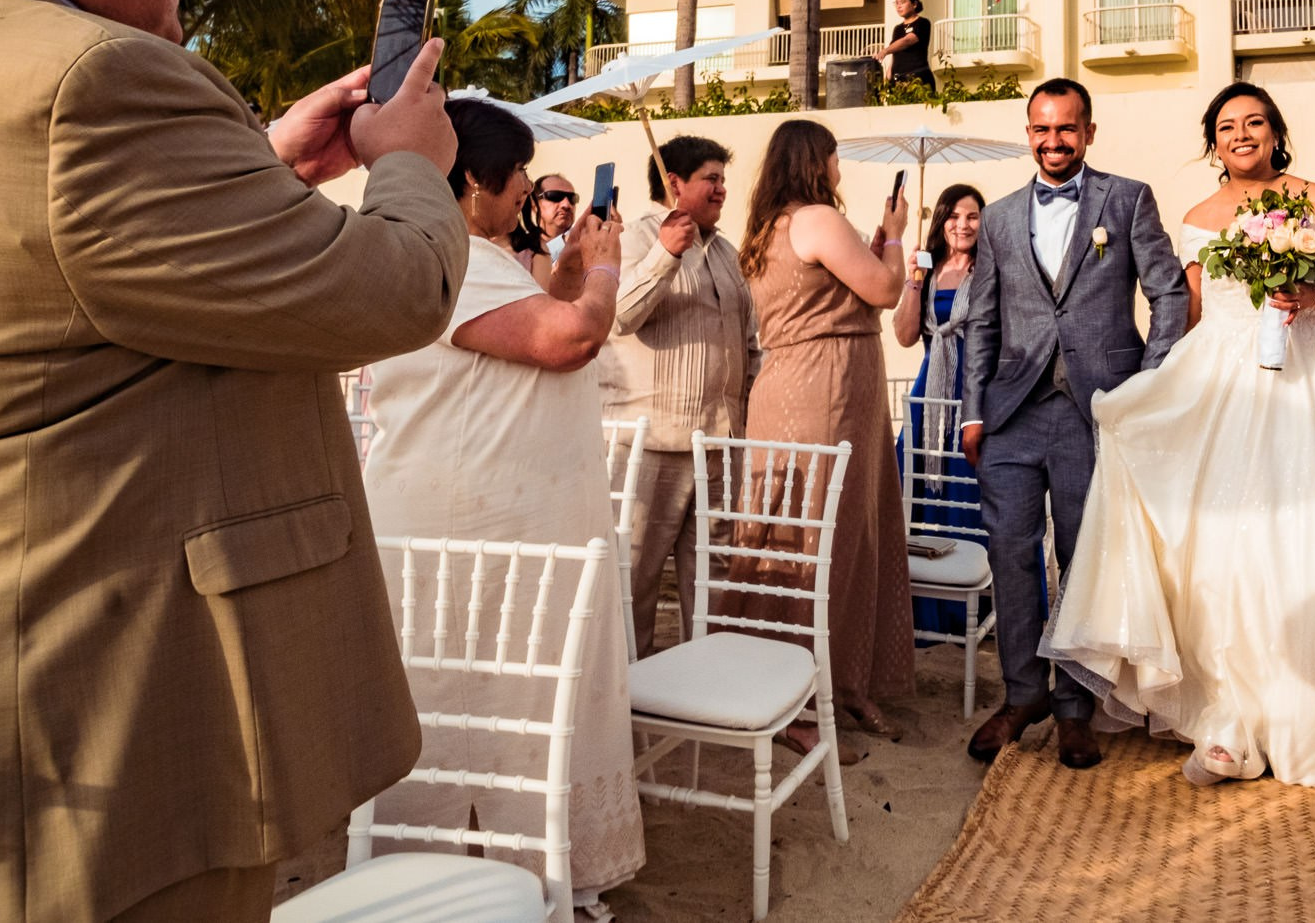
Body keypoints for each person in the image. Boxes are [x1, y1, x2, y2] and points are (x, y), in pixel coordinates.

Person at [0, 0, 466, 923]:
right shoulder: (90, 81)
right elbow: (393, 290)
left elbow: (70, 295)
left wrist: (267, 170)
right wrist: (409, 167)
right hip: (111, 721)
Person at [1046, 84, 1315, 793]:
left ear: (1277, 133)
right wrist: (1159, 392)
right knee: (1220, 552)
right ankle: (1230, 719)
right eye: (1226, 126)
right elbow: (1184, 311)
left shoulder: (1310, 196)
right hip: (1218, 384)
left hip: (1308, 373)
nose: (1241, 133)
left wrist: (1308, 295)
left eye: (1254, 122)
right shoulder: (1194, 217)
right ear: (1212, 142)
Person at [362, 99, 641, 914]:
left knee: (499, 696)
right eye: (518, 171)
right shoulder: (444, 252)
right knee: (478, 695)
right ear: (474, 177)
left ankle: (508, 864)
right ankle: (459, 878)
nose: (528, 185)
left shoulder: (464, 255)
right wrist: (606, 269)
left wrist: (570, 273)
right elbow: (569, 339)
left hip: (487, 516)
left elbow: (528, 329)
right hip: (469, 528)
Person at [959, 79, 1189, 770]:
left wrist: (1143, 389)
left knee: (1085, 560)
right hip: (1012, 413)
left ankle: (1075, 706)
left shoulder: (1126, 198)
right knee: (1009, 551)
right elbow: (981, 322)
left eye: (1066, 129)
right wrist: (973, 410)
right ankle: (1023, 691)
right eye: (1041, 129)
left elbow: (1169, 294)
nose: (1052, 140)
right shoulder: (998, 217)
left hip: (1097, 410)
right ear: (1027, 132)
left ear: (1089, 131)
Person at [734, 120, 915, 750]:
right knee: (828, 536)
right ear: (819, 162)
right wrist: (893, 237)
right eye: (836, 159)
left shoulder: (764, 230)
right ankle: (809, 699)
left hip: (787, 385)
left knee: (786, 531)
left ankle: (801, 682)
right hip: (829, 389)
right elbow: (887, 290)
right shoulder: (817, 217)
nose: (840, 171)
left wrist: (871, 249)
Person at [599, 135, 760, 658]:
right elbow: (619, 315)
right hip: (650, 445)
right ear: (675, 183)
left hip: (718, 446)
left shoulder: (728, 252)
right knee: (635, 581)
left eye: (721, 178)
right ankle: (626, 710)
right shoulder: (631, 238)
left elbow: (749, 343)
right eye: (710, 178)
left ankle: (706, 697)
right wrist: (666, 254)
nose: (721, 189)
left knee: (710, 585)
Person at [892, 184, 986, 635]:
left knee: (968, 491)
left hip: (975, 391)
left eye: (972, 216)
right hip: (930, 392)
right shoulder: (925, 271)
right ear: (941, 220)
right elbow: (906, 336)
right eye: (953, 215)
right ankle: (920, 608)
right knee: (915, 488)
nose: (962, 225)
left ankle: (973, 605)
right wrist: (912, 278)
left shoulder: (991, 270)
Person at [873, 0, 935, 90]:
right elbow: (894, 56)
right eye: (896, 3)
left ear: (914, 4)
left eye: (902, 2)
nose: (899, 6)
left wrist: (885, 51)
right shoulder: (898, 29)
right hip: (898, 81)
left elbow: (907, 40)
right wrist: (887, 79)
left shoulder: (923, 23)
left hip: (918, 79)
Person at [536, 173, 579, 258]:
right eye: (554, 196)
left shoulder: (586, 244)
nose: (566, 205)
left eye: (572, 198)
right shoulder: (518, 246)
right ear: (534, 205)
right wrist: (565, 240)